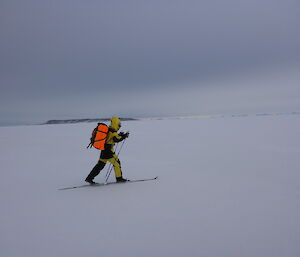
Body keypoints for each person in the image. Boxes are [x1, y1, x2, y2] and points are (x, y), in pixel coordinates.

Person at [85, 116, 129, 184]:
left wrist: (120, 135)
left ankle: (89, 178)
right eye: (119, 124)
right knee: (117, 163)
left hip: (103, 151)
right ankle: (119, 178)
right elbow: (116, 139)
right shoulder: (113, 132)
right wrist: (124, 136)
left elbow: (114, 137)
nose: (119, 125)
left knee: (99, 165)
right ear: (116, 123)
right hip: (109, 152)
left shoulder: (109, 129)